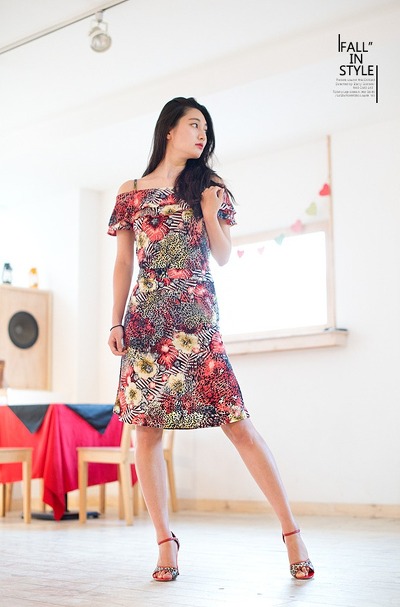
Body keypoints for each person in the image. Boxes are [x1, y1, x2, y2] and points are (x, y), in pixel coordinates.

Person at [107, 97, 314, 582]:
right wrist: (115, 322)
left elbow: (222, 256)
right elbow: (124, 262)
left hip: (197, 321)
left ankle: (291, 532)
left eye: (206, 129)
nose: (202, 135)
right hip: (146, 323)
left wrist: (207, 210)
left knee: (237, 423)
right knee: (146, 430)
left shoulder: (209, 186)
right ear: (169, 130)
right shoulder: (130, 192)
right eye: (194, 125)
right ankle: (165, 543)